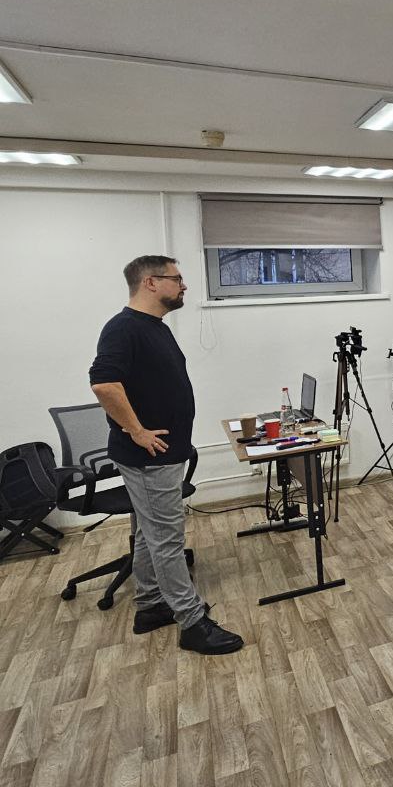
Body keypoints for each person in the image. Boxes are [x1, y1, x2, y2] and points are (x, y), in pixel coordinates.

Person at [89, 256, 243, 654]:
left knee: (148, 532)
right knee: (167, 540)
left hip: (163, 454)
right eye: (177, 278)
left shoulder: (154, 326)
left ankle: (151, 604)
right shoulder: (123, 327)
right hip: (149, 457)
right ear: (151, 283)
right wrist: (137, 431)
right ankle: (192, 624)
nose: (184, 285)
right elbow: (104, 384)